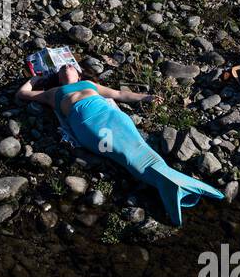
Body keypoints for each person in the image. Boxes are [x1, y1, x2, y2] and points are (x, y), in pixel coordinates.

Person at [16, 64, 223, 226]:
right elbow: (22, 94)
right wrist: (35, 78)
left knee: (142, 150)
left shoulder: (90, 85)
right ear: (59, 77)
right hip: (92, 129)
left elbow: (119, 94)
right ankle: (171, 186)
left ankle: (172, 184)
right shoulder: (53, 92)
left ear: (78, 74)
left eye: (69, 65)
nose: (66, 67)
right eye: (62, 68)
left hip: (114, 118)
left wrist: (147, 97)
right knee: (126, 156)